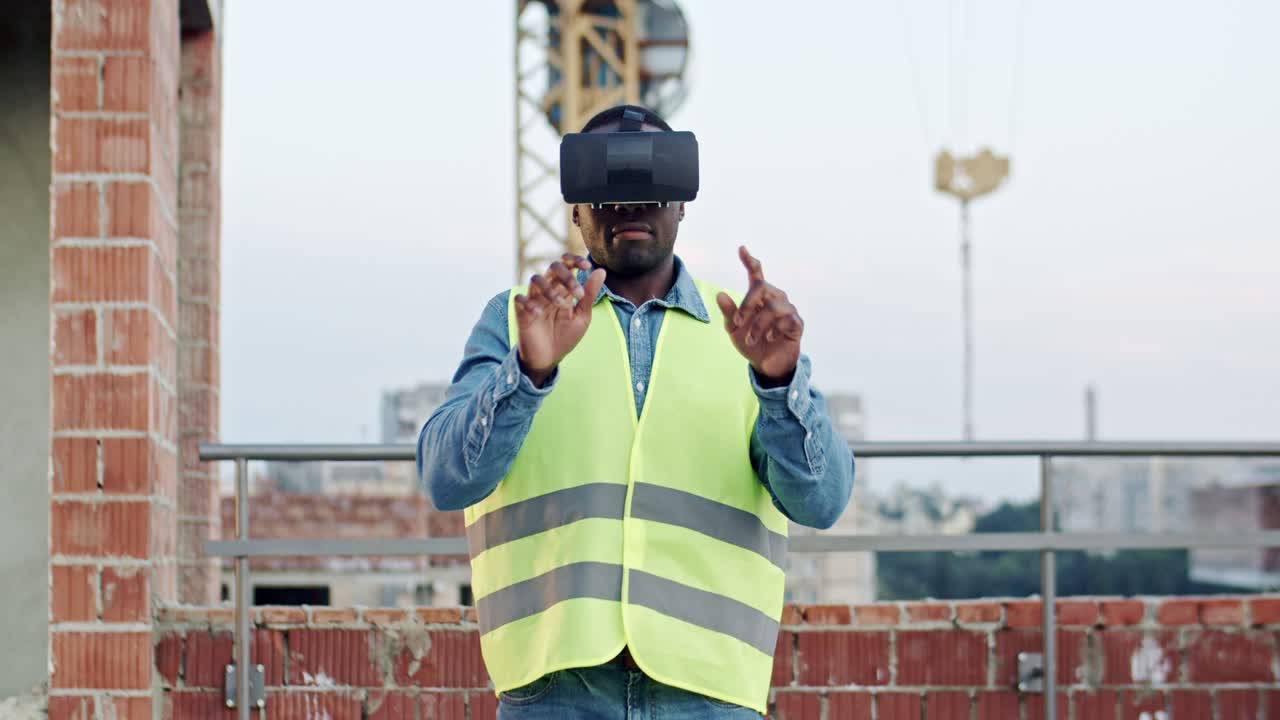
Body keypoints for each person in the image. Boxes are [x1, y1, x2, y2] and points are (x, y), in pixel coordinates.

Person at [418, 104, 854, 719]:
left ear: (681, 203)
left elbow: (822, 500)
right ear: (575, 208)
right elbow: (445, 478)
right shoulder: (519, 319)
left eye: (650, 189)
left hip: (709, 694)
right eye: (606, 191)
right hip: (555, 692)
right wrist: (528, 372)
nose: (628, 206)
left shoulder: (747, 332)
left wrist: (778, 380)